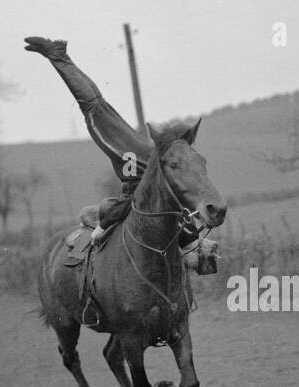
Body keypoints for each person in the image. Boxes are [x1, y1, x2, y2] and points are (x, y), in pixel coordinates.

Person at [24, 37, 218, 273]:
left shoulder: (132, 151)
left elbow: (92, 104)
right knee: (96, 107)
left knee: (94, 107)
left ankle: (59, 56)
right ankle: (60, 56)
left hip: (143, 191)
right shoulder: (148, 158)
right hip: (156, 201)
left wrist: (59, 59)